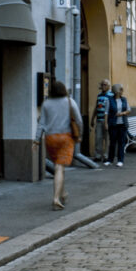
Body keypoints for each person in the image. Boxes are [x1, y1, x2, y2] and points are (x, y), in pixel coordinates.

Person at [40, 81, 83, 209]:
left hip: (50, 138)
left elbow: (41, 123)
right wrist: (80, 135)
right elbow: (79, 120)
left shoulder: (46, 103)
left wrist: (37, 140)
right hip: (65, 138)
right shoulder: (70, 101)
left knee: (59, 167)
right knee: (60, 167)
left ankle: (63, 193)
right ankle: (56, 199)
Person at [107, 84, 132, 167]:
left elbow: (129, 110)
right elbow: (106, 112)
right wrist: (106, 124)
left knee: (121, 142)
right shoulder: (109, 100)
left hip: (122, 125)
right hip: (113, 124)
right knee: (112, 143)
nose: (122, 91)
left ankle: (120, 160)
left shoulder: (124, 99)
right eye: (121, 89)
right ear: (117, 91)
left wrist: (122, 113)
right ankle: (110, 160)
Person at [94, 80, 115, 164]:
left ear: (109, 86)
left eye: (105, 84)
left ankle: (106, 156)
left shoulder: (111, 95)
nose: (103, 86)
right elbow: (96, 107)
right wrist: (92, 119)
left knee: (107, 139)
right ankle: (98, 156)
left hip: (107, 121)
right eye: (102, 84)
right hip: (99, 120)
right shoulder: (99, 95)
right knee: (98, 138)